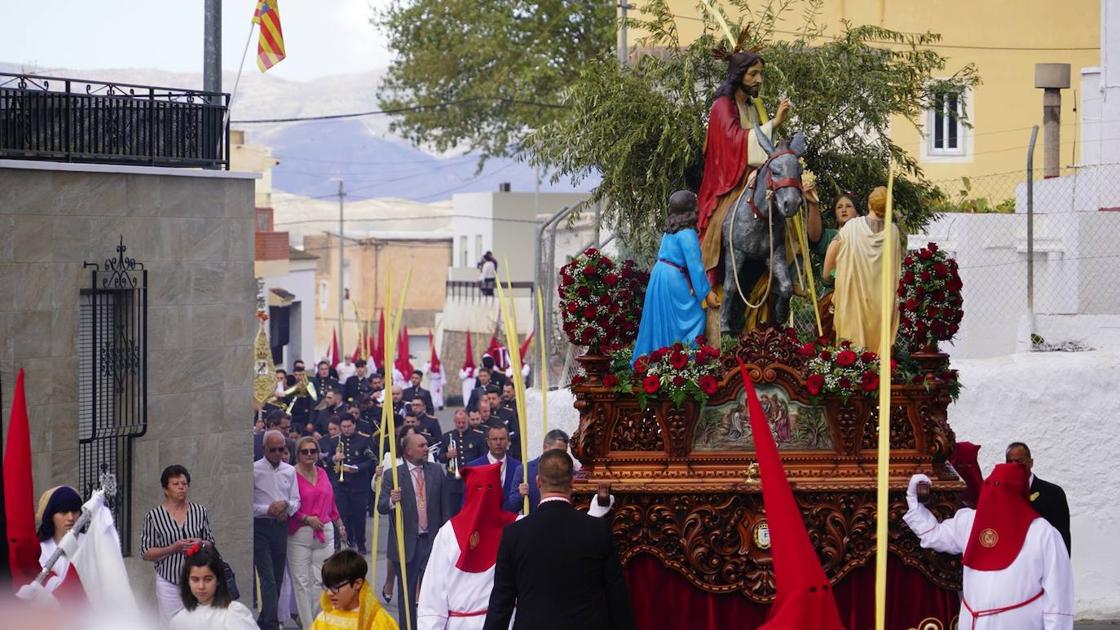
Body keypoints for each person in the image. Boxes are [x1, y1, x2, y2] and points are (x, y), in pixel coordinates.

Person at [903, 464, 1073, 629]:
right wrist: (914, 503)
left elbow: (1058, 596)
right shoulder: (970, 521)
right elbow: (935, 534)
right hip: (973, 622)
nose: (995, 493)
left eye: (1002, 487)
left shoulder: (1043, 533)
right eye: (991, 485)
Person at [696, 45, 791, 339]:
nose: (759, 79)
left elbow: (765, 147)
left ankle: (788, 281)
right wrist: (774, 122)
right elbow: (732, 144)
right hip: (727, 184)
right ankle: (714, 289)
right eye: (753, 73)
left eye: (761, 73)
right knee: (717, 232)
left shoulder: (751, 106)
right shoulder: (722, 106)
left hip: (755, 178)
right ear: (738, 75)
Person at [483, 450, 633, 630]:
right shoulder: (597, 530)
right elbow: (616, 596)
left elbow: (501, 601)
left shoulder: (514, 534)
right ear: (572, 482)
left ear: (538, 481)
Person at [377, 431, 453, 630]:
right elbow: (381, 506)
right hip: (406, 543)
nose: (426, 449)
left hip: (432, 541)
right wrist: (392, 501)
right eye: (421, 446)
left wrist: (447, 539)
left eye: (426, 445)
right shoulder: (392, 475)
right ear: (408, 450)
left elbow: (446, 507)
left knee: (435, 592)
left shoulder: (436, 471)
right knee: (407, 594)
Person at [633, 190, 715, 362]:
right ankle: (685, 360)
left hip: (660, 274)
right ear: (690, 208)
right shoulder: (687, 234)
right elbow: (695, 266)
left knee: (660, 318)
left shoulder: (671, 230)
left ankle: (658, 357)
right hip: (674, 278)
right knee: (696, 315)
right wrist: (706, 292)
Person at [825, 185, 902, 348]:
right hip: (881, 303)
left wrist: (828, 275)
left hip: (853, 301)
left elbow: (833, 247)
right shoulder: (893, 231)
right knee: (877, 348)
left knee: (852, 349)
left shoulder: (852, 226)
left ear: (869, 204)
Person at [140, 465, 215, 627]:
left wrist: (200, 543)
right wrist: (172, 548)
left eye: (184, 483)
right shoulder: (154, 516)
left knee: (199, 623)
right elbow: (146, 552)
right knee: (171, 625)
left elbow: (211, 543)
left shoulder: (199, 511)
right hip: (169, 580)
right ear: (165, 489)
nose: (181, 487)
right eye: (176, 484)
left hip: (197, 578)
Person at [289, 436, 347, 627]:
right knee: (302, 584)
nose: (309, 455)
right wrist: (306, 518)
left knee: (322, 582)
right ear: (297, 454)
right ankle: (308, 625)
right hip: (299, 534)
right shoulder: (290, 475)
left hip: (325, 531)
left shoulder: (322, 473)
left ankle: (319, 623)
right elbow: (288, 506)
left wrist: (339, 524)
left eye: (313, 451)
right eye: (304, 451)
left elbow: (330, 501)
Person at [254, 430, 302, 630]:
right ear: (264, 449)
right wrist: (269, 509)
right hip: (261, 527)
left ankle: (264, 621)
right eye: (272, 449)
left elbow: (296, 500)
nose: (277, 453)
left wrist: (286, 508)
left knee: (278, 577)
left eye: (281, 449)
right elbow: (247, 504)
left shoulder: (289, 471)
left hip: (280, 527)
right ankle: (272, 624)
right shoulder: (254, 470)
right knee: (268, 578)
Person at [1006, 442, 1071, 555]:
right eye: (1010, 461)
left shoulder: (1053, 493)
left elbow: (1062, 536)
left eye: (1019, 461)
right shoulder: (1002, 493)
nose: (1014, 465)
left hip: (1042, 559)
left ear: (1031, 462)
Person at [170, 544, 256, 630]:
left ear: (218, 579)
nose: (201, 586)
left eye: (208, 579)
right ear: (187, 580)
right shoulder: (179, 620)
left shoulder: (233, 613)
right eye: (195, 580)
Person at [322, 417, 375, 554]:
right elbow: (327, 459)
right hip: (341, 485)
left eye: (349, 426)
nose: (346, 429)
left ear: (354, 425)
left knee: (359, 516)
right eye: (344, 426)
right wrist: (334, 458)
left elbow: (371, 460)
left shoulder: (364, 440)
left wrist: (358, 468)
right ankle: (339, 543)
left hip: (358, 485)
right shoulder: (335, 441)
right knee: (341, 515)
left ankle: (361, 543)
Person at [310, 550, 397, 630]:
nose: (329, 593)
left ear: (357, 584)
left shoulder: (378, 621)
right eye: (327, 587)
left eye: (335, 587)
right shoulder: (324, 618)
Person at [35, 485, 85, 600]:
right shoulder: (39, 549)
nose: (71, 517)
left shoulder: (89, 543)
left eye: (75, 511)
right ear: (51, 515)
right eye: (63, 512)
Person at [507, 430, 569, 513]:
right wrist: (520, 495)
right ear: (545, 447)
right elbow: (512, 507)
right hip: (533, 522)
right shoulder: (524, 470)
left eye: (563, 453)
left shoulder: (569, 471)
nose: (560, 456)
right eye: (556, 451)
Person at [438, 409, 487, 512]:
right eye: (458, 422)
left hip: (471, 478)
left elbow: (484, 457)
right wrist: (447, 454)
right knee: (453, 509)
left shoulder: (478, 436)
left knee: (471, 508)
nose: (461, 425)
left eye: (463, 422)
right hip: (453, 480)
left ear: (468, 420)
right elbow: (440, 458)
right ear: (454, 421)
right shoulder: (447, 436)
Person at [467, 425, 522, 515]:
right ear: (488, 442)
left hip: (511, 523)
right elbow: (467, 502)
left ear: (508, 441)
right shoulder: (474, 467)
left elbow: (519, 502)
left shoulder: (518, 467)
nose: (498, 443)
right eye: (494, 439)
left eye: (502, 439)